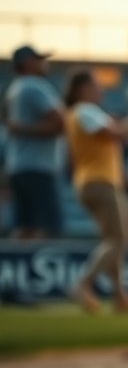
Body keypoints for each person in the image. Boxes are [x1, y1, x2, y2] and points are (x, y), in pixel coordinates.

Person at [64, 70, 128, 314]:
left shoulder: (76, 114)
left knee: (112, 241)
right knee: (121, 239)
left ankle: (120, 296)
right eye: (95, 86)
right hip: (101, 182)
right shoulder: (85, 111)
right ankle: (82, 284)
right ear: (82, 89)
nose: (100, 90)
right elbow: (120, 133)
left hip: (88, 182)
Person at [4, 45, 65, 238]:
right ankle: (40, 267)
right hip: (38, 167)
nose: (44, 64)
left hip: (18, 165)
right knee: (47, 226)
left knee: (23, 226)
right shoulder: (34, 85)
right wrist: (25, 129)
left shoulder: (13, 89)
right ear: (27, 63)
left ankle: (17, 266)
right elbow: (60, 123)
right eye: (38, 60)